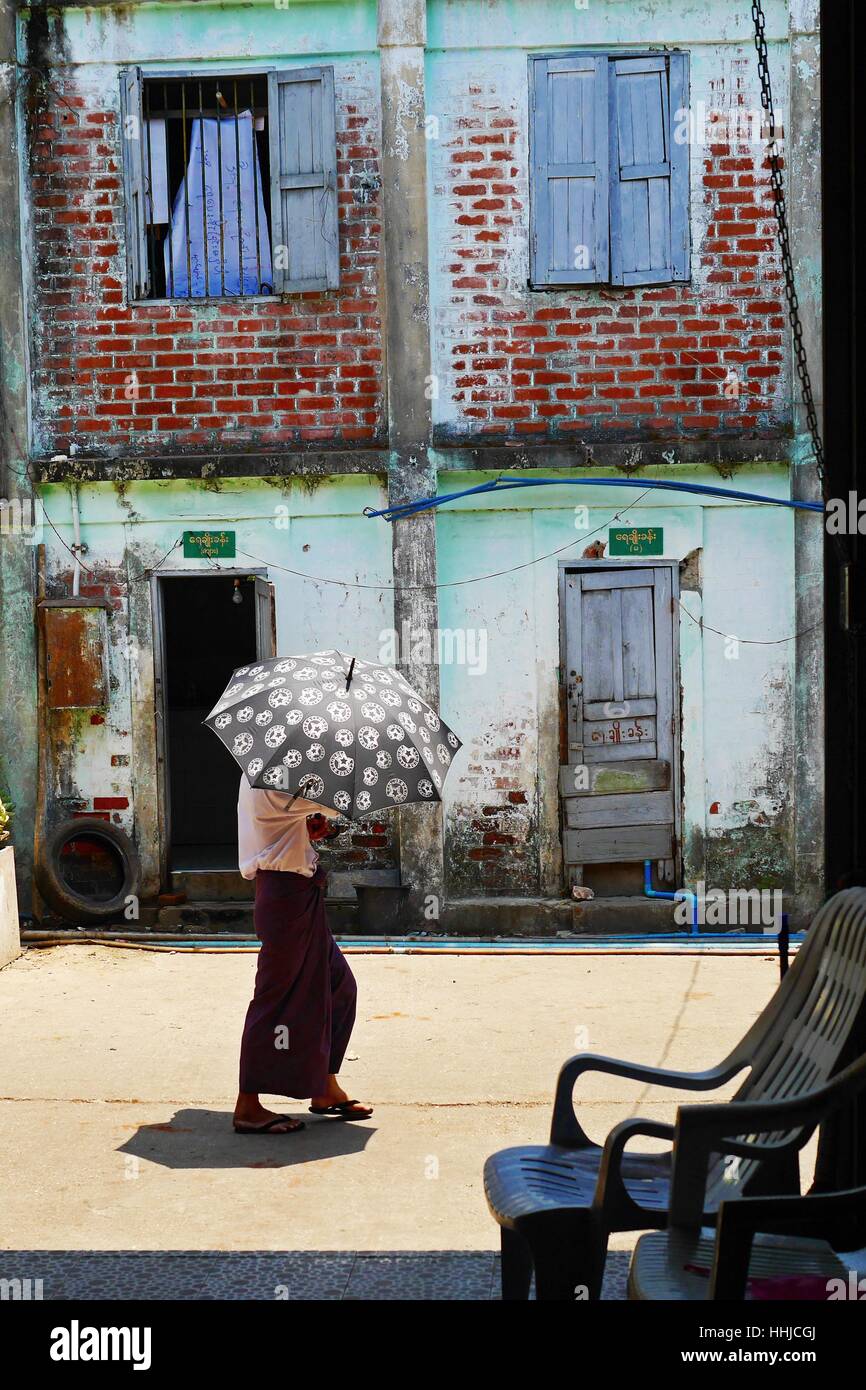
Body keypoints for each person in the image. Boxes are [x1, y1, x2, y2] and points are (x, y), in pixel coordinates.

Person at [232, 777, 373, 1134]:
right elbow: (332, 802)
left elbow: (293, 820)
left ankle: (324, 1086)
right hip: (284, 897)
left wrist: (305, 826)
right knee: (275, 998)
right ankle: (248, 1104)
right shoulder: (268, 783)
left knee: (339, 986)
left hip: (300, 894)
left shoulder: (277, 784)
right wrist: (321, 811)